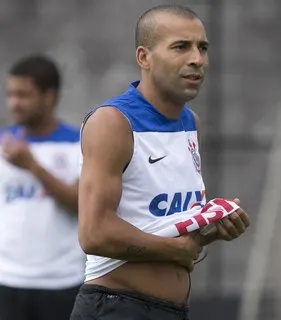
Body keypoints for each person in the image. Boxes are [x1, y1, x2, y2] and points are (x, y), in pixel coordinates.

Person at [71, 4, 250, 320]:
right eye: (181, 47)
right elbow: (94, 234)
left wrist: (211, 231)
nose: (197, 59)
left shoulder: (189, 121)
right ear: (144, 58)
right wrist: (176, 250)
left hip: (173, 310)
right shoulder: (113, 122)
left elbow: (164, 228)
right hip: (116, 308)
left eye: (202, 48)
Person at [0, 55, 85, 320]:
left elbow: (81, 205)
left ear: (49, 96)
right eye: (10, 94)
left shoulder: (78, 144)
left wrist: (33, 167)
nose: (14, 103)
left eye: (24, 95)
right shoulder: (2, 143)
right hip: (7, 278)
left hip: (62, 281)